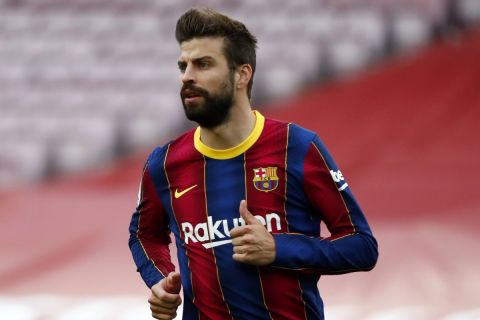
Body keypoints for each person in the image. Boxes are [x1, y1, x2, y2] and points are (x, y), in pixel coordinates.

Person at [128, 7, 378, 320]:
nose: (187, 75)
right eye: (183, 65)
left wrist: (278, 249)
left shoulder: (296, 146)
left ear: (241, 75)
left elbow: (362, 246)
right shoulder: (164, 163)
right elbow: (144, 234)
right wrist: (159, 280)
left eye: (203, 64)